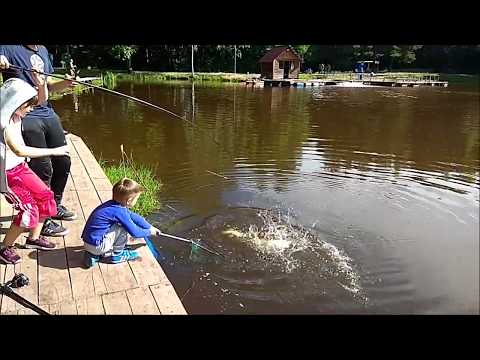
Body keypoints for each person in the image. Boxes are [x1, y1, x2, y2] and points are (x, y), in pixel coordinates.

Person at [0, 45, 78, 238]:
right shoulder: (8, 47)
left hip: (45, 109)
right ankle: (44, 223)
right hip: (24, 114)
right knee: (43, 167)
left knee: (64, 161)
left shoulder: (42, 50)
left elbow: (48, 85)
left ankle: (53, 206)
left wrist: (66, 83)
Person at [0, 77, 70, 264]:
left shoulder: (16, 114)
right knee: (27, 210)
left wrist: (40, 83)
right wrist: (54, 151)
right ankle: (4, 247)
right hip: (7, 175)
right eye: (28, 107)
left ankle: (33, 238)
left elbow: (39, 98)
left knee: (46, 196)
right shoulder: (3, 124)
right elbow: (19, 150)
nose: (31, 109)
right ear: (15, 103)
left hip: (21, 168)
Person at [81, 177, 162, 267]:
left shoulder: (113, 205)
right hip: (98, 246)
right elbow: (136, 233)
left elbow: (132, 216)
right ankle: (117, 255)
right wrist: (150, 232)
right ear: (129, 201)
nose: (137, 200)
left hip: (88, 243)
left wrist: (150, 227)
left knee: (119, 223)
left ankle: (92, 256)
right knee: (122, 226)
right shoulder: (119, 211)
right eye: (137, 198)